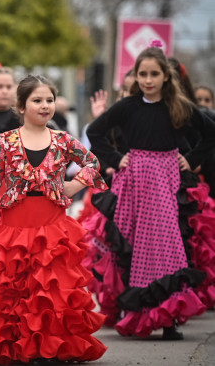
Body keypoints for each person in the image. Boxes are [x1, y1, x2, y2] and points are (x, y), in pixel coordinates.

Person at [0, 75, 107, 364]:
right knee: (17, 289)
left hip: (53, 226)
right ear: (21, 106)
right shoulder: (6, 142)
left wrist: (72, 186)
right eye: (37, 100)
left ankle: (51, 347)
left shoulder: (62, 139)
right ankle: (21, 346)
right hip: (14, 227)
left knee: (50, 290)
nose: (45, 106)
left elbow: (92, 163)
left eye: (49, 100)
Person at [86, 44, 215, 339]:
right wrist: (117, 159)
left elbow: (210, 133)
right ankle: (137, 313)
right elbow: (95, 131)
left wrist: (191, 159)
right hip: (134, 181)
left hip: (167, 181)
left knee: (168, 246)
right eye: (142, 74)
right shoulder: (127, 106)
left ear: (165, 77)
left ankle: (168, 318)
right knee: (132, 245)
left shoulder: (178, 106)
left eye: (154, 74)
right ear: (135, 76)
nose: (147, 79)